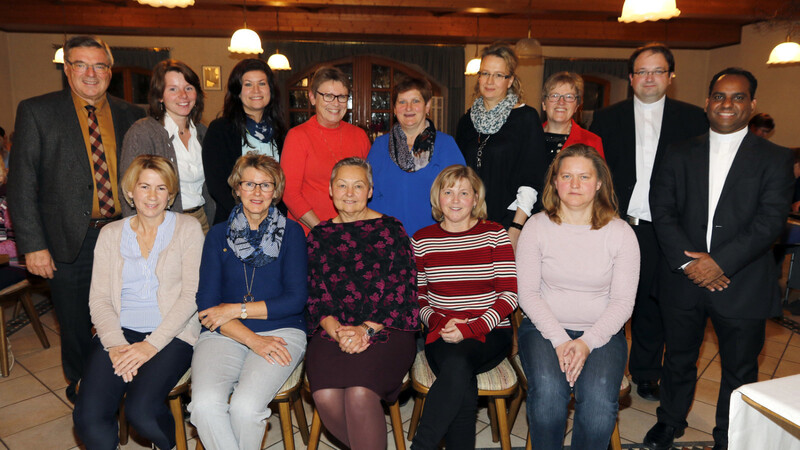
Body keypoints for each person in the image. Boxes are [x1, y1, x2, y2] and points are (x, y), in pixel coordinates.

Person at [645, 68, 794, 450]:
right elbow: (662, 211)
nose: (727, 104)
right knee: (678, 358)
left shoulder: (775, 158)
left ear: (752, 105)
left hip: (742, 282)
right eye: (719, 96)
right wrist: (690, 263)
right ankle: (670, 421)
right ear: (707, 102)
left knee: (740, 369)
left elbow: (770, 222)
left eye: (738, 97)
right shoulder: (678, 152)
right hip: (683, 278)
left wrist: (719, 263)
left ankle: (729, 434)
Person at [7, 35, 145, 402]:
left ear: (110, 72)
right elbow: (22, 184)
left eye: (99, 65)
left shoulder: (132, 114)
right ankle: (85, 391)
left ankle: (126, 382)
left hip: (124, 234)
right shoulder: (37, 111)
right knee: (75, 324)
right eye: (80, 64)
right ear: (67, 69)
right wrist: (33, 246)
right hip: (69, 241)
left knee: (128, 314)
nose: (90, 73)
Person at [589, 42, 707, 401]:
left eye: (657, 71)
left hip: (669, 230)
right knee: (612, 299)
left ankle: (645, 373)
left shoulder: (693, 119)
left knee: (654, 305)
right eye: (642, 71)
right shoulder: (608, 117)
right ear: (631, 78)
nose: (649, 78)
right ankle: (600, 367)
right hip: (620, 224)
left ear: (671, 77)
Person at [72, 155, 203, 450]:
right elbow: (100, 298)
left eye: (161, 188)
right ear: (130, 191)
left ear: (171, 194)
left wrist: (150, 345)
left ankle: (168, 445)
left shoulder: (188, 228)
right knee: (88, 418)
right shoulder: (110, 234)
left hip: (172, 334)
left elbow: (192, 295)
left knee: (141, 413)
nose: (152, 196)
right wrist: (116, 345)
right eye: (144, 187)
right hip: (119, 332)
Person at [515, 145, 639, 449]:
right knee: (548, 396)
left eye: (584, 177)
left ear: (598, 184)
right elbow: (528, 294)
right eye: (566, 175)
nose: (574, 184)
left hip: (602, 332)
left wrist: (586, 342)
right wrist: (560, 340)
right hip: (544, 329)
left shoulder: (621, 233)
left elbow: (623, 303)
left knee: (598, 404)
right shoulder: (536, 227)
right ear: (555, 182)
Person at [189, 153, 307, 450]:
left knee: (245, 408)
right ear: (237, 188)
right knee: (204, 406)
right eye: (249, 184)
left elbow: (295, 300)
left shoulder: (292, 233)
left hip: (281, 331)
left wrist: (236, 309)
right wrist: (252, 339)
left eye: (266, 185)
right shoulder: (217, 235)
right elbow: (206, 304)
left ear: (277, 192)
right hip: (224, 332)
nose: (257, 192)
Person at [305, 157, 418, 450]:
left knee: (359, 394)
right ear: (330, 190)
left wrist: (364, 331)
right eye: (342, 185)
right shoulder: (319, 235)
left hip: (387, 328)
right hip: (333, 330)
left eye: (358, 185)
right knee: (326, 397)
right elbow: (316, 295)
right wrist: (339, 331)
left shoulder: (392, 230)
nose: (349, 192)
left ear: (369, 190)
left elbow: (401, 292)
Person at [410, 164, 518, 450]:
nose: (455, 200)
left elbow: (509, 296)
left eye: (464, 192)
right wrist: (436, 322)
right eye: (448, 192)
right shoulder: (421, 240)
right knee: (460, 375)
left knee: (458, 366)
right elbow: (419, 296)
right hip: (442, 331)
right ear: (437, 198)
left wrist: (471, 328)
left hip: (491, 331)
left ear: (475, 199)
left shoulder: (495, 234)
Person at [456, 43, 547, 249]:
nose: (490, 81)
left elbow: (532, 178)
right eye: (485, 73)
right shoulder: (466, 121)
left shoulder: (526, 118)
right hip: (469, 220)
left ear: (511, 80)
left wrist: (516, 227)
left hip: (509, 221)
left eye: (499, 75)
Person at [121, 59, 214, 233]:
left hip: (202, 221)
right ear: (159, 96)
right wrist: (138, 234)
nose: (183, 95)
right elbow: (128, 190)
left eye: (189, 88)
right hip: (161, 225)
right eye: (173, 89)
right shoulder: (142, 133)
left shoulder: (202, 132)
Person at [367, 76, 465, 237]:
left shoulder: (446, 145)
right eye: (402, 102)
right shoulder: (379, 146)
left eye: (415, 101)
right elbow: (366, 193)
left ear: (427, 106)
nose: (408, 107)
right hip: (386, 240)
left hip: (434, 240)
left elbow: (461, 196)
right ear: (394, 108)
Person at [282, 66, 371, 235]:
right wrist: (323, 231)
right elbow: (290, 194)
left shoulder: (359, 136)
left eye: (342, 97)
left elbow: (368, 187)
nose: (336, 103)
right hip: (310, 233)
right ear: (312, 97)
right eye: (328, 96)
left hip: (352, 233)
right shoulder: (297, 136)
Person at [202, 59, 288, 224]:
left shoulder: (282, 133)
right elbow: (217, 185)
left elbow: (286, 183)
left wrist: (273, 218)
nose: (256, 90)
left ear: (270, 89)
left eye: (262, 83)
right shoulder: (220, 130)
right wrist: (249, 218)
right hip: (233, 220)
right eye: (248, 84)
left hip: (276, 222)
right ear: (238, 92)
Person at [541, 71, 605, 168]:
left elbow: (600, 180)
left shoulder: (592, 142)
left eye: (569, 97)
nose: (561, 102)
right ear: (544, 104)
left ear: (576, 106)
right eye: (554, 96)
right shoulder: (527, 138)